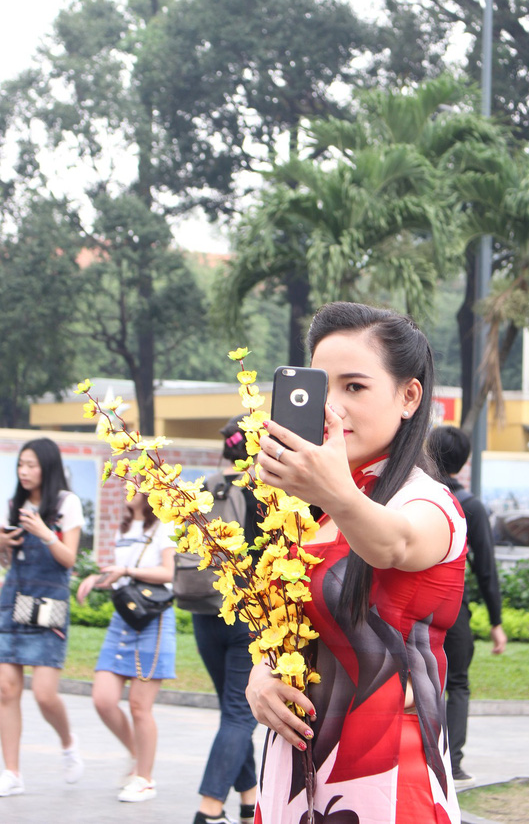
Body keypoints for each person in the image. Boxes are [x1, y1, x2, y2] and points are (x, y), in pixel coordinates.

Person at [250, 301, 468, 824]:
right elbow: (302, 625)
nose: (333, 408)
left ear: (409, 396)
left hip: (383, 781)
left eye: (354, 387)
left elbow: (392, 545)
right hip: (297, 771)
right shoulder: (318, 515)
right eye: (321, 389)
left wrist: (333, 492)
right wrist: (263, 673)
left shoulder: (428, 503)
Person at [0, 437, 85, 797]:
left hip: (48, 603)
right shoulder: (14, 505)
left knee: (44, 694)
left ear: (47, 466)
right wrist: (0, 544)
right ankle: (11, 773)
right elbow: (1, 560)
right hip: (13, 600)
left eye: (31, 465)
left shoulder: (66, 503)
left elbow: (69, 559)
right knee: (7, 689)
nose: (23, 472)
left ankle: (68, 742)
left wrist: (44, 533)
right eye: (20, 465)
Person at [76, 489, 176, 802]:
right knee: (103, 699)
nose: (124, 488)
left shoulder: (164, 525)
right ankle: (137, 754)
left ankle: (145, 779)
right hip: (124, 619)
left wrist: (127, 571)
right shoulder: (124, 528)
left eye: (132, 480)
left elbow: (168, 573)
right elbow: (122, 576)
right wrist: (97, 579)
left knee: (139, 706)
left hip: (153, 619)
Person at [186, 416, 260, 824]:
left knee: (232, 711)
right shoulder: (262, 492)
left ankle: (249, 800)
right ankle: (208, 812)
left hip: (203, 610)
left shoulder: (205, 487)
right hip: (246, 616)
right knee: (238, 714)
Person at [427, 425, 507, 790]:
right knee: (456, 682)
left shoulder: (417, 496)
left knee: (418, 680)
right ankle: (452, 764)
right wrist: (496, 621)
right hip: (454, 609)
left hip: (413, 606)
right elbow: (485, 569)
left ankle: (422, 756)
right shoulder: (470, 506)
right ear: (463, 462)